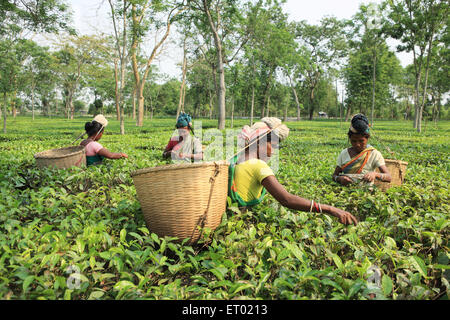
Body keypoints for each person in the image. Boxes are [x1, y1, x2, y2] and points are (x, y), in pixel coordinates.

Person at [229, 117, 358, 226]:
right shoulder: (258, 165)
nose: (273, 152)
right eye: (272, 146)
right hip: (239, 222)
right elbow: (287, 199)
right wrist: (330, 209)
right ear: (259, 141)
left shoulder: (236, 159)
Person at [332, 114, 391, 186]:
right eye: (354, 141)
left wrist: (375, 174)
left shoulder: (374, 154)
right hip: (344, 191)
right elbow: (334, 175)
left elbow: (388, 177)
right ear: (349, 139)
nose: (357, 144)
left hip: (366, 193)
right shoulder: (344, 153)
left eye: (361, 141)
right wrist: (339, 179)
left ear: (367, 138)